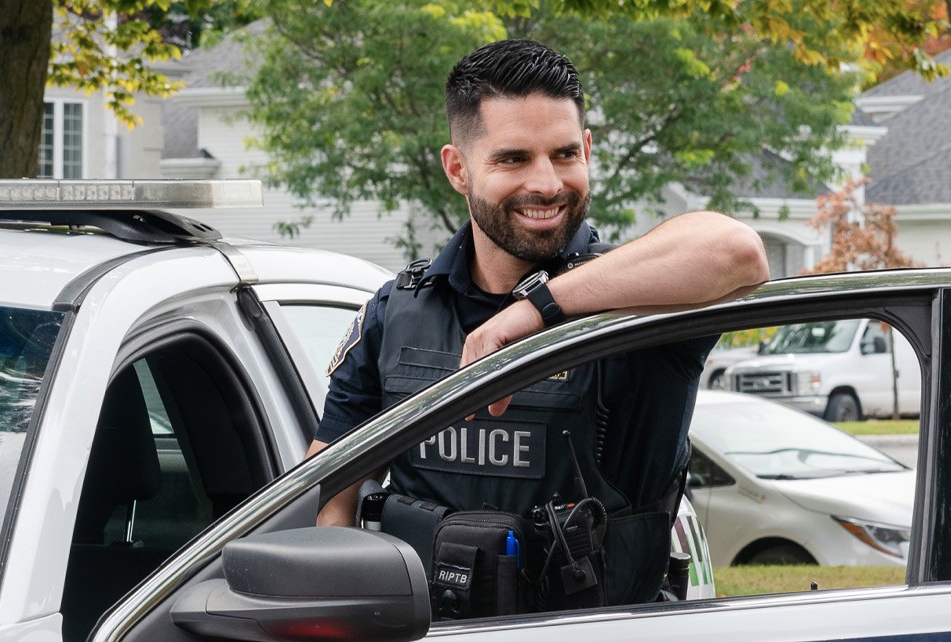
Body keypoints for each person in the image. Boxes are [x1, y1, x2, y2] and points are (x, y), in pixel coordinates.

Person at [310, 39, 768, 607]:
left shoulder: (641, 299)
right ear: (458, 169)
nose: (548, 183)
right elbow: (329, 499)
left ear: (589, 151)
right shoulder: (393, 313)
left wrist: (536, 310)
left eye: (565, 154)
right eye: (513, 158)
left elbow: (738, 252)